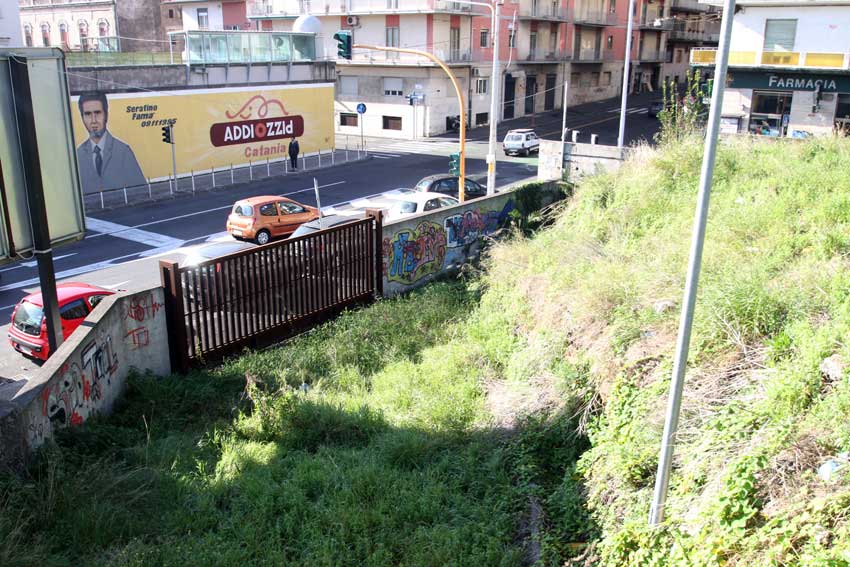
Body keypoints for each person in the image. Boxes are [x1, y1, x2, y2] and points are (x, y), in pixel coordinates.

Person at [76, 91, 146, 194]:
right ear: (82, 118)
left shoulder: (123, 152)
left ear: (106, 115)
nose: (93, 120)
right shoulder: (78, 155)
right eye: (88, 114)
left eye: (98, 113)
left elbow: (141, 193)